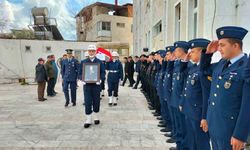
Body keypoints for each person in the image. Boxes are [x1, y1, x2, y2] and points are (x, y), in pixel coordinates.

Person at [200, 26, 250, 150]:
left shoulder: (245, 68)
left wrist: (240, 135)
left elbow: (247, 105)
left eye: (222, 45)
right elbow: (204, 71)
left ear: (235, 46)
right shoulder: (222, 64)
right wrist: (208, 54)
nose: (219, 49)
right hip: (215, 125)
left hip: (231, 130)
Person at [179, 38, 211, 150]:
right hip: (190, 110)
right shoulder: (193, 68)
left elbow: (206, 95)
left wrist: (204, 116)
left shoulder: (205, 70)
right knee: (192, 140)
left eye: (192, 51)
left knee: (201, 142)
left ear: (201, 52)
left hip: (198, 113)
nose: (190, 54)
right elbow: (183, 74)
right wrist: (185, 61)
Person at [78, 45, 105, 128]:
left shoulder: (100, 62)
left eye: (93, 51)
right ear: (88, 51)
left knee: (96, 101)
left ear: (95, 52)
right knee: (88, 102)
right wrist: (81, 79)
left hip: (96, 86)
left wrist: (100, 79)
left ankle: (96, 117)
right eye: (90, 51)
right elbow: (80, 72)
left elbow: (103, 72)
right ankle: (88, 119)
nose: (91, 52)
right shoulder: (83, 62)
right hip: (87, 86)